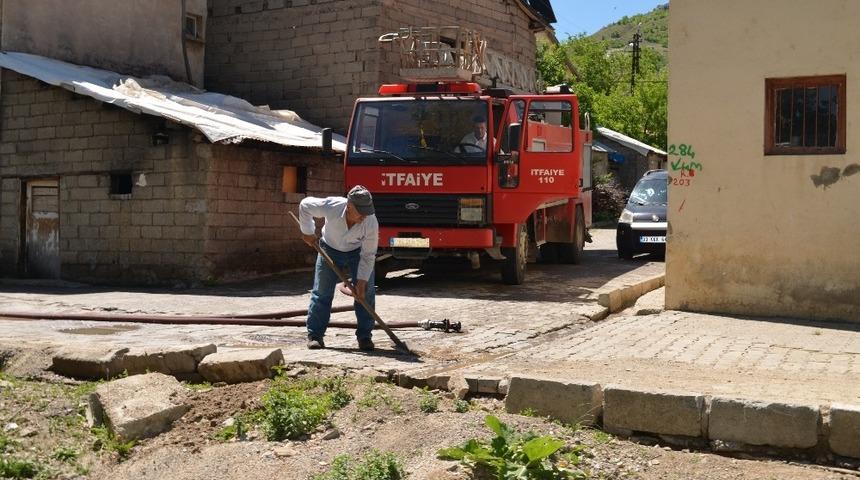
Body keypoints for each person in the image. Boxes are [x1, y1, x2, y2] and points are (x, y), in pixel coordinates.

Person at [298, 185, 379, 351]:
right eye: (361, 211)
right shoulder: (332, 206)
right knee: (322, 292)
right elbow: (305, 205)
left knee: (367, 293)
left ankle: (365, 337)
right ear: (349, 206)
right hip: (329, 248)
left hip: (357, 252)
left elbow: (369, 254)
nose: (364, 215)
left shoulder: (370, 221)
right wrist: (307, 231)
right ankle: (315, 336)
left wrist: (362, 282)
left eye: (367, 211)